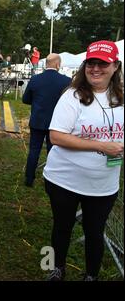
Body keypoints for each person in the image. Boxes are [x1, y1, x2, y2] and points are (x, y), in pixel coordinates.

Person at [43, 40, 124, 281]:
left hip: (103, 185)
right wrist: (101, 145)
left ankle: (91, 276)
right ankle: (54, 268)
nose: (96, 68)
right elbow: (56, 136)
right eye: (91, 63)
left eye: (103, 63)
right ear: (84, 65)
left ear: (115, 66)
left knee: (95, 232)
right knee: (61, 226)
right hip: (64, 180)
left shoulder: (121, 98)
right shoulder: (72, 96)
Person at [22, 53, 71, 187]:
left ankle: (29, 178)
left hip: (37, 120)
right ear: (57, 64)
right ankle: (51, 180)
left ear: (45, 64)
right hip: (57, 123)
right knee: (53, 151)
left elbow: (25, 99)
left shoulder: (35, 79)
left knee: (34, 150)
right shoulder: (66, 81)